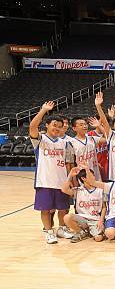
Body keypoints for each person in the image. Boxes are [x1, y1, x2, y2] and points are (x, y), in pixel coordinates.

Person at [29, 101, 73, 243]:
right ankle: (49, 232)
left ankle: (61, 229)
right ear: (47, 125)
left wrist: (69, 181)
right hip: (45, 181)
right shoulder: (40, 140)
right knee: (46, 209)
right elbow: (32, 127)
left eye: (60, 127)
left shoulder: (65, 143)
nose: (57, 128)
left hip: (61, 182)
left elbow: (68, 164)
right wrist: (43, 110)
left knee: (63, 208)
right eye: (54, 125)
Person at [61, 167, 106, 243]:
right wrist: (70, 176)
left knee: (98, 238)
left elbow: (104, 207)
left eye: (93, 176)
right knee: (67, 217)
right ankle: (81, 232)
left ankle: (91, 231)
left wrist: (101, 220)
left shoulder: (100, 190)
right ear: (83, 178)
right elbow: (64, 189)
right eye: (91, 176)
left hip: (95, 219)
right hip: (82, 218)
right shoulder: (78, 190)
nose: (94, 178)